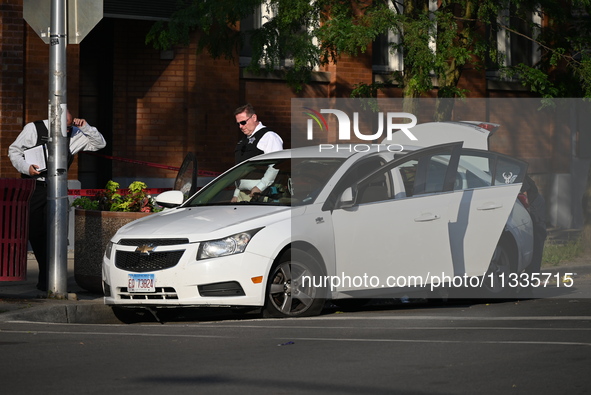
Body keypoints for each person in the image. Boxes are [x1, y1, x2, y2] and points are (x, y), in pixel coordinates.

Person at [8, 110, 106, 291]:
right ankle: (46, 272)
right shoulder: (34, 128)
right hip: (34, 186)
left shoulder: (75, 134)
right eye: (64, 126)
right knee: (36, 231)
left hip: (58, 187)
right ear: (52, 120)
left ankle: (49, 279)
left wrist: (85, 127)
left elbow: (99, 143)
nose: (67, 130)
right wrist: (26, 167)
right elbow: (14, 151)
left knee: (56, 232)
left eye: (69, 126)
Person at [232, 104, 283, 202]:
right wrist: (236, 194)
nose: (241, 126)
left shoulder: (269, 137)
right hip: (242, 193)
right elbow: (241, 169)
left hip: (259, 194)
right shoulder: (244, 140)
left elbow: (275, 166)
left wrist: (260, 187)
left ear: (254, 117)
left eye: (243, 122)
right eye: (238, 124)